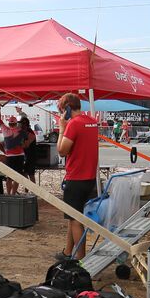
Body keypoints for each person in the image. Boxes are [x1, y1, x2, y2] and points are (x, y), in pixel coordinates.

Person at [56, 92, 99, 259]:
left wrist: (62, 129)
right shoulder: (92, 122)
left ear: (67, 109)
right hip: (89, 178)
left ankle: (80, 259)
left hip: (75, 178)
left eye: (61, 110)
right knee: (73, 216)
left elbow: (61, 151)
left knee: (75, 220)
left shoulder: (73, 124)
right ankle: (68, 252)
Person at [0, 113, 26, 194]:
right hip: (19, 156)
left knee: (9, 177)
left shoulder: (5, 130)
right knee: (17, 177)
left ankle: (8, 194)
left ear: (9, 123)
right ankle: (13, 194)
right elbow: (25, 143)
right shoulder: (20, 130)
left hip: (9, 156)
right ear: (16, 123)